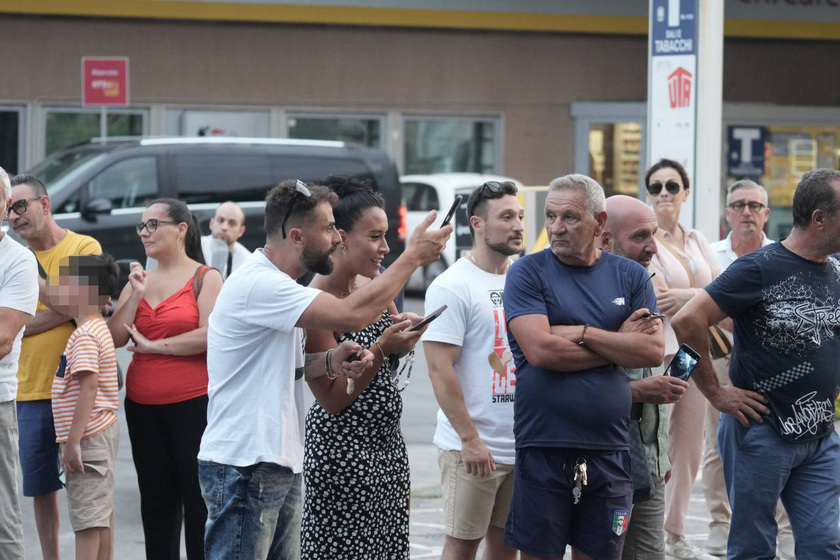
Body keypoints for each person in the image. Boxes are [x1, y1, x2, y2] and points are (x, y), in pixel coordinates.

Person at [197, 179, 450, 560]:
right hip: (245, 465)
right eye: (329, 228)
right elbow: (353, 313)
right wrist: (412, 256)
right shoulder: (260, 283)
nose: (337, 237)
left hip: (275, 461)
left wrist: (331, 360)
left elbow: (288, 369)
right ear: (297, 236)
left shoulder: (278, 283)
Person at [672, 168, 840, 559]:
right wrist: (715, 393)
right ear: (819, 219)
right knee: (753, 548)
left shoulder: (835, 270)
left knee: (823, 545)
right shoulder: (757, 268)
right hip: (762, 431)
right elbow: (687, 320)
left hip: (819, 435)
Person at [503, 174, 664, 560]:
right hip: (544, 445)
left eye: (570, 218)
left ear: (600, 222)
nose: (556, 228)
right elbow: (542, 352)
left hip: (609, 449)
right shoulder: (527, 273)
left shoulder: (631, 275)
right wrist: (617, 341)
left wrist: (581, 332)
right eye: (550, 216)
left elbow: (651, 351)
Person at [301, 179, 426, 559]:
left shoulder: (372, 284)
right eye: (375, 236)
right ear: (341, 237)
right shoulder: (316, 302)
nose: (385, 248)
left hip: (387, 445)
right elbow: (334, 400)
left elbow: (389, 349)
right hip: (343, 453)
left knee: (387, 549)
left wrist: (404, 336)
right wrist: (382, 346)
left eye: (387, 236)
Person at [109, 199, 223, 560]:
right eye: (141, 226)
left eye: (153, 225)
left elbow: (211, 335)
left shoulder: (206, 276)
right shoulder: (140, 278)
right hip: (142, 407)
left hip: (193, 404)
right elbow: (115, 337)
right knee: (156, 502)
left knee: (196, 499)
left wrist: (157, 346)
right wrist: (136, 295)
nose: (144, 233)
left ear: (182, 229)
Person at [422, 180, 523, 560]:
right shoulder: (452, 285)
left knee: (506, 549)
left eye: (520, 216)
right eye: (506, 217)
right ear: (477, 224)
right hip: (473, 448)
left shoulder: (525, 278)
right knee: (461, 548)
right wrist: (469, 439)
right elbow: (439, 369)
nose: (518, 225)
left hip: (521, 445)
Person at [7, 173, 103, 560]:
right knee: (41, 489)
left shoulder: (84, 245)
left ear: (44, 204)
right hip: (29, 389)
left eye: (20, 206)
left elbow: (89, 310)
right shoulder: (12, 259)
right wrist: (65, 308)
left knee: (91, 491)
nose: (13, 217)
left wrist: (38, 300)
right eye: (8, 209)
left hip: (80, 391)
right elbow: (11, 326)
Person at [600, 195, 689, 560]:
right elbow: (568, 379)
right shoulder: (586, 293)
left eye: (654, 234)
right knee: (605, 551)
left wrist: (658, 457)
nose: (653, 246)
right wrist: (639, 391)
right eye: (641, 236)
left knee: (650, 554)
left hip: (647, 462)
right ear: (605, 238)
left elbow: (651, 369)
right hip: (604, 463)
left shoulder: (644, 282)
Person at [707, 180, 793, 558]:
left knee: (780, 440)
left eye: (755, 206)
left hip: (774, 367)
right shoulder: (711, 256)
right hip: (721, 361)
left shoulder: (784, 258)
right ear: (726, 213)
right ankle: (719, 523)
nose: (746, 212)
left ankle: (785, 528)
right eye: (739, 205)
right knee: (718, 445)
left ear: (766, 214)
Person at [644, 159, 723, 560]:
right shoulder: (647, 241)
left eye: (672, 186)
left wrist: (691, 298)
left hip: (695, 351)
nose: (663, 194)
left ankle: (673, 533)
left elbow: (723, 287)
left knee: (689, 445)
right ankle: (651, 531)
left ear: (685, 193)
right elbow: (660, 298)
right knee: (657, 439)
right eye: (656, 187)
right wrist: (704, 298)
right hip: (665, 351)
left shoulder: (696, 239)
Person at [49, 253, 121, 560]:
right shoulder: (97, 328)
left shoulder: (85, 335)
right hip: (98, 434)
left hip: (88, 438)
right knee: (98, 514)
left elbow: (88, 387)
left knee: (87, 519)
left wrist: (74, 442)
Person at [0, 166, 38, 560]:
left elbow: (3, 338)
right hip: (29, 388)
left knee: (4, 509)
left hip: (21, 395)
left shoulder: (19, 260)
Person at [202, 200, 251, 277]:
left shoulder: (248, 262)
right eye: (220, 220)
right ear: (211, 223)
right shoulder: (194, 247)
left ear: (241, 231)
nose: (224, 227)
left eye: (232, 223)